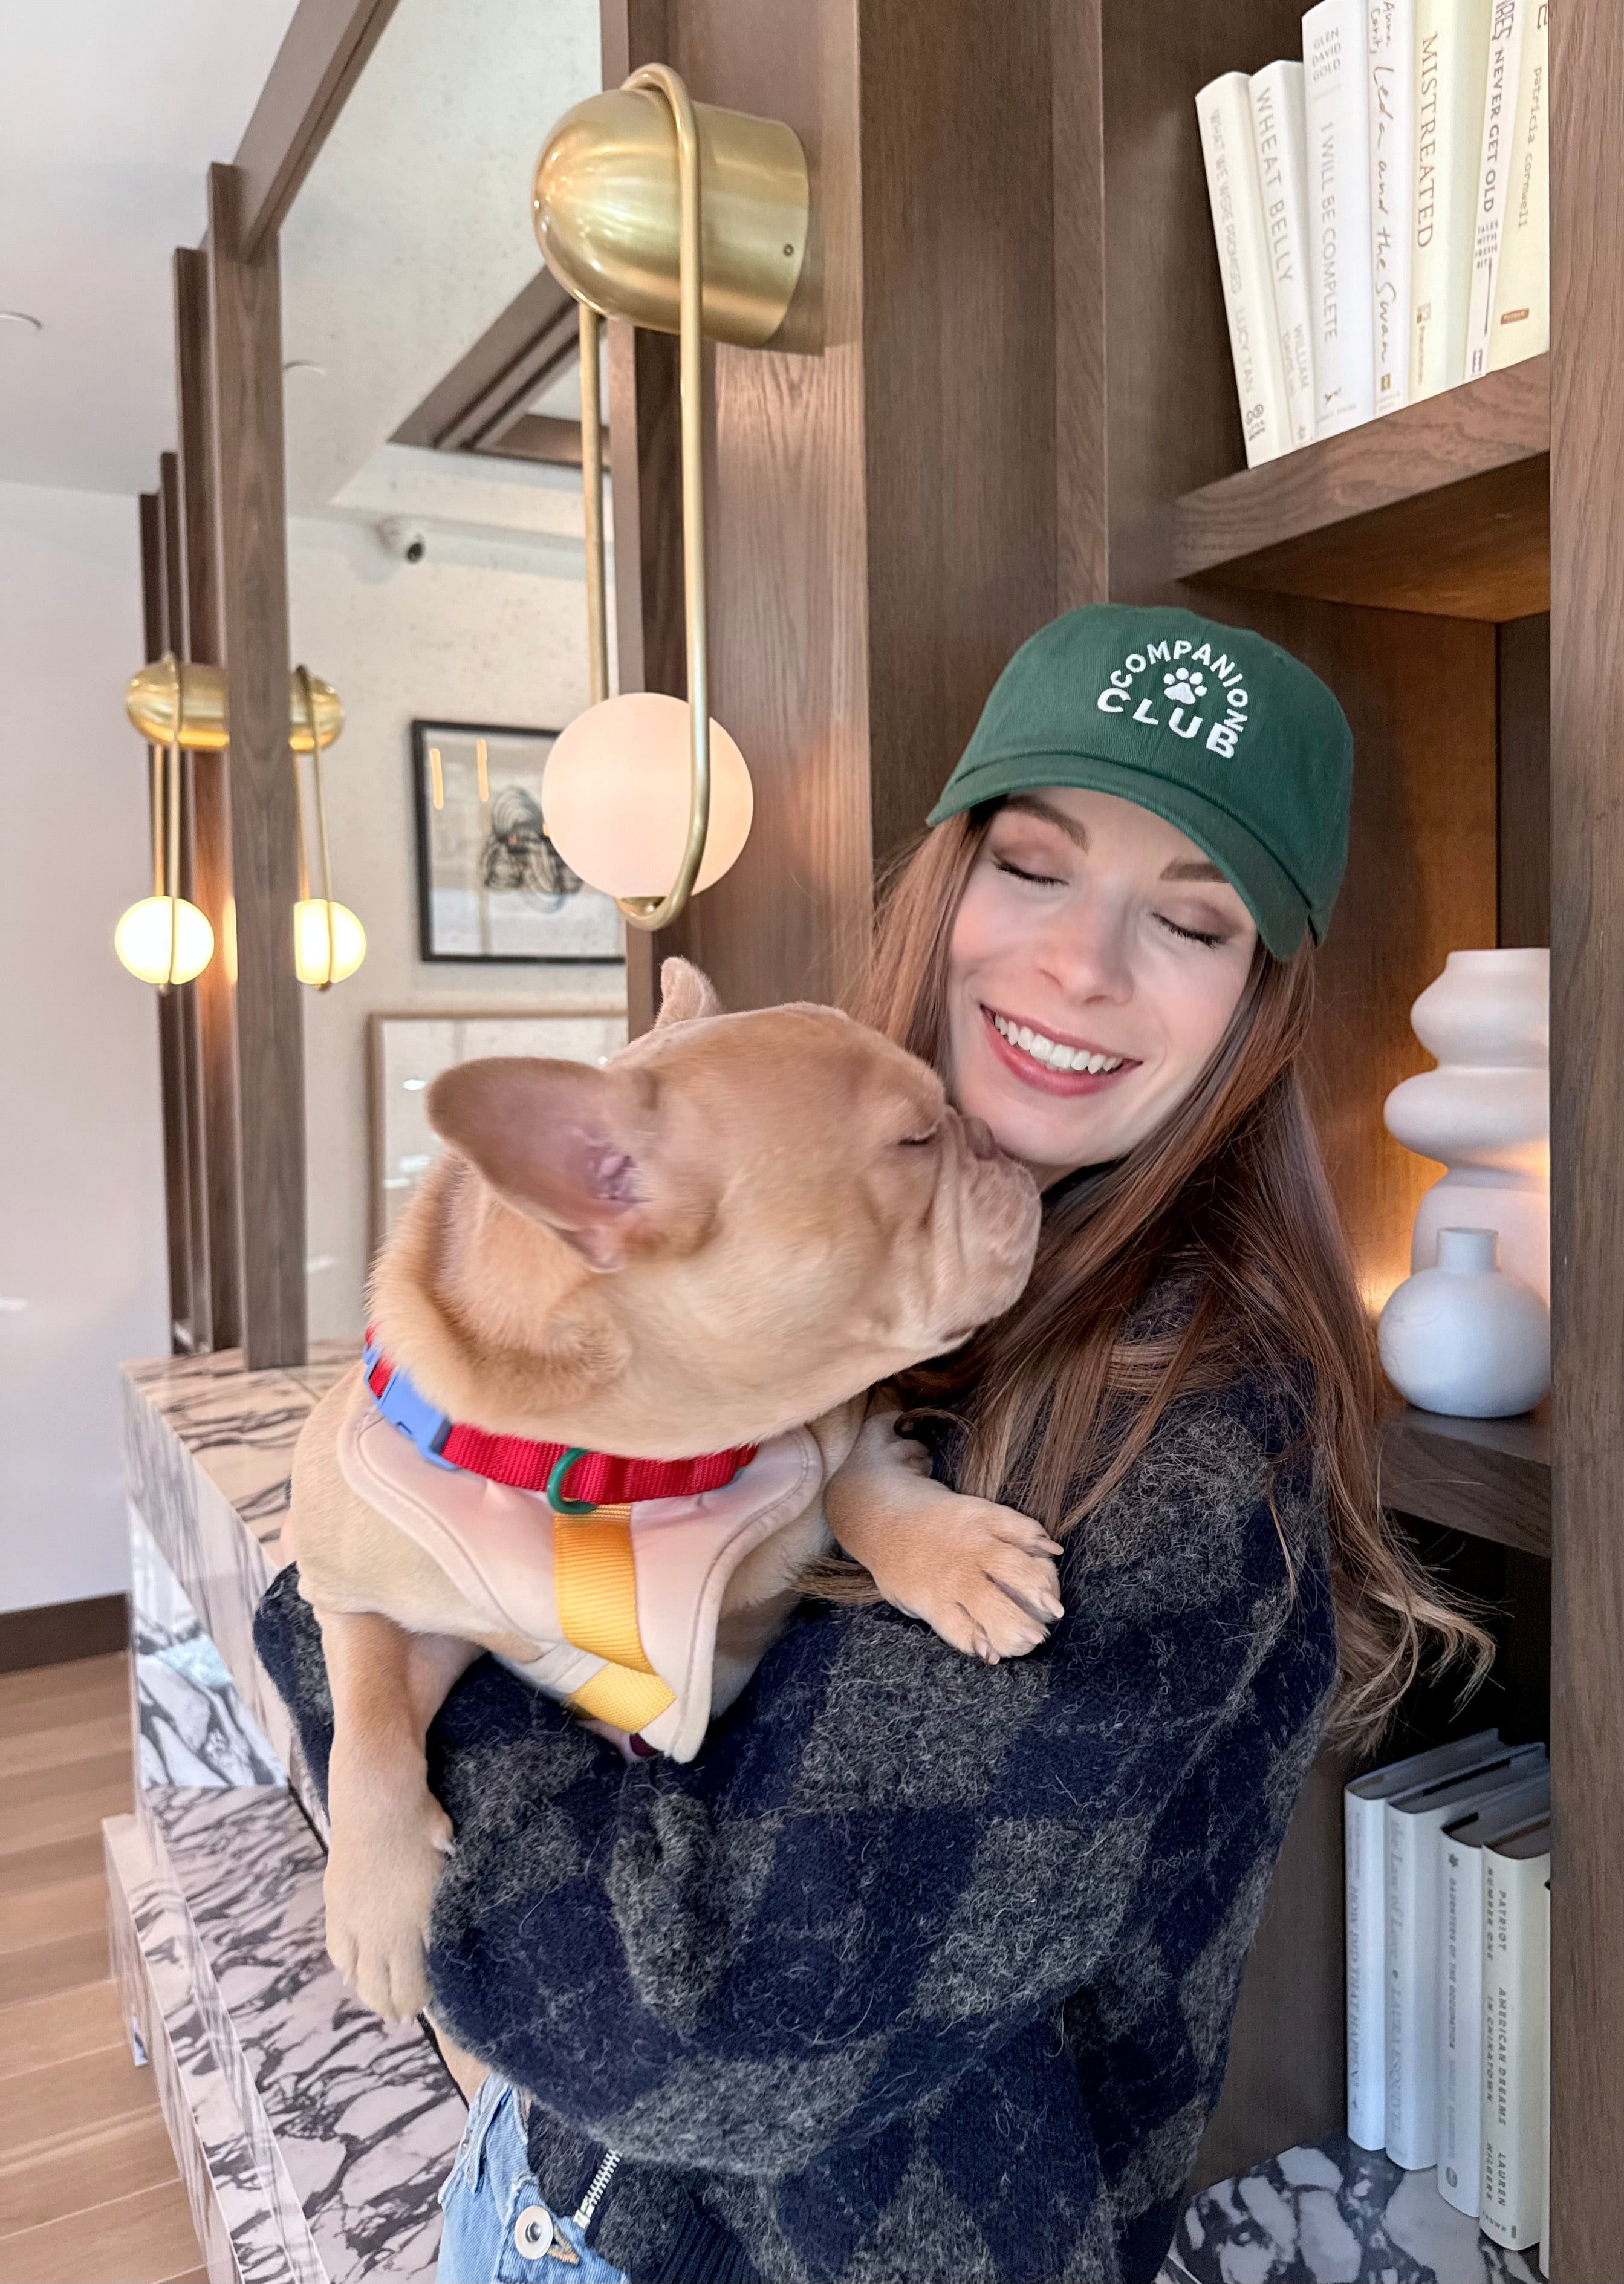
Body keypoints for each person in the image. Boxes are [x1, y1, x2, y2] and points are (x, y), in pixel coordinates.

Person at [256, 602, 1484, 2284]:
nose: (1082, 965)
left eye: (1190, 921)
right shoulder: (798, 1185)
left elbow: (719, 2027)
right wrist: (392, 1579)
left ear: (1257, 1007)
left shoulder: (1189, 1428)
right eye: (1034, 868)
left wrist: (371, 1647)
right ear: (947, 880)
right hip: (535, 2190)